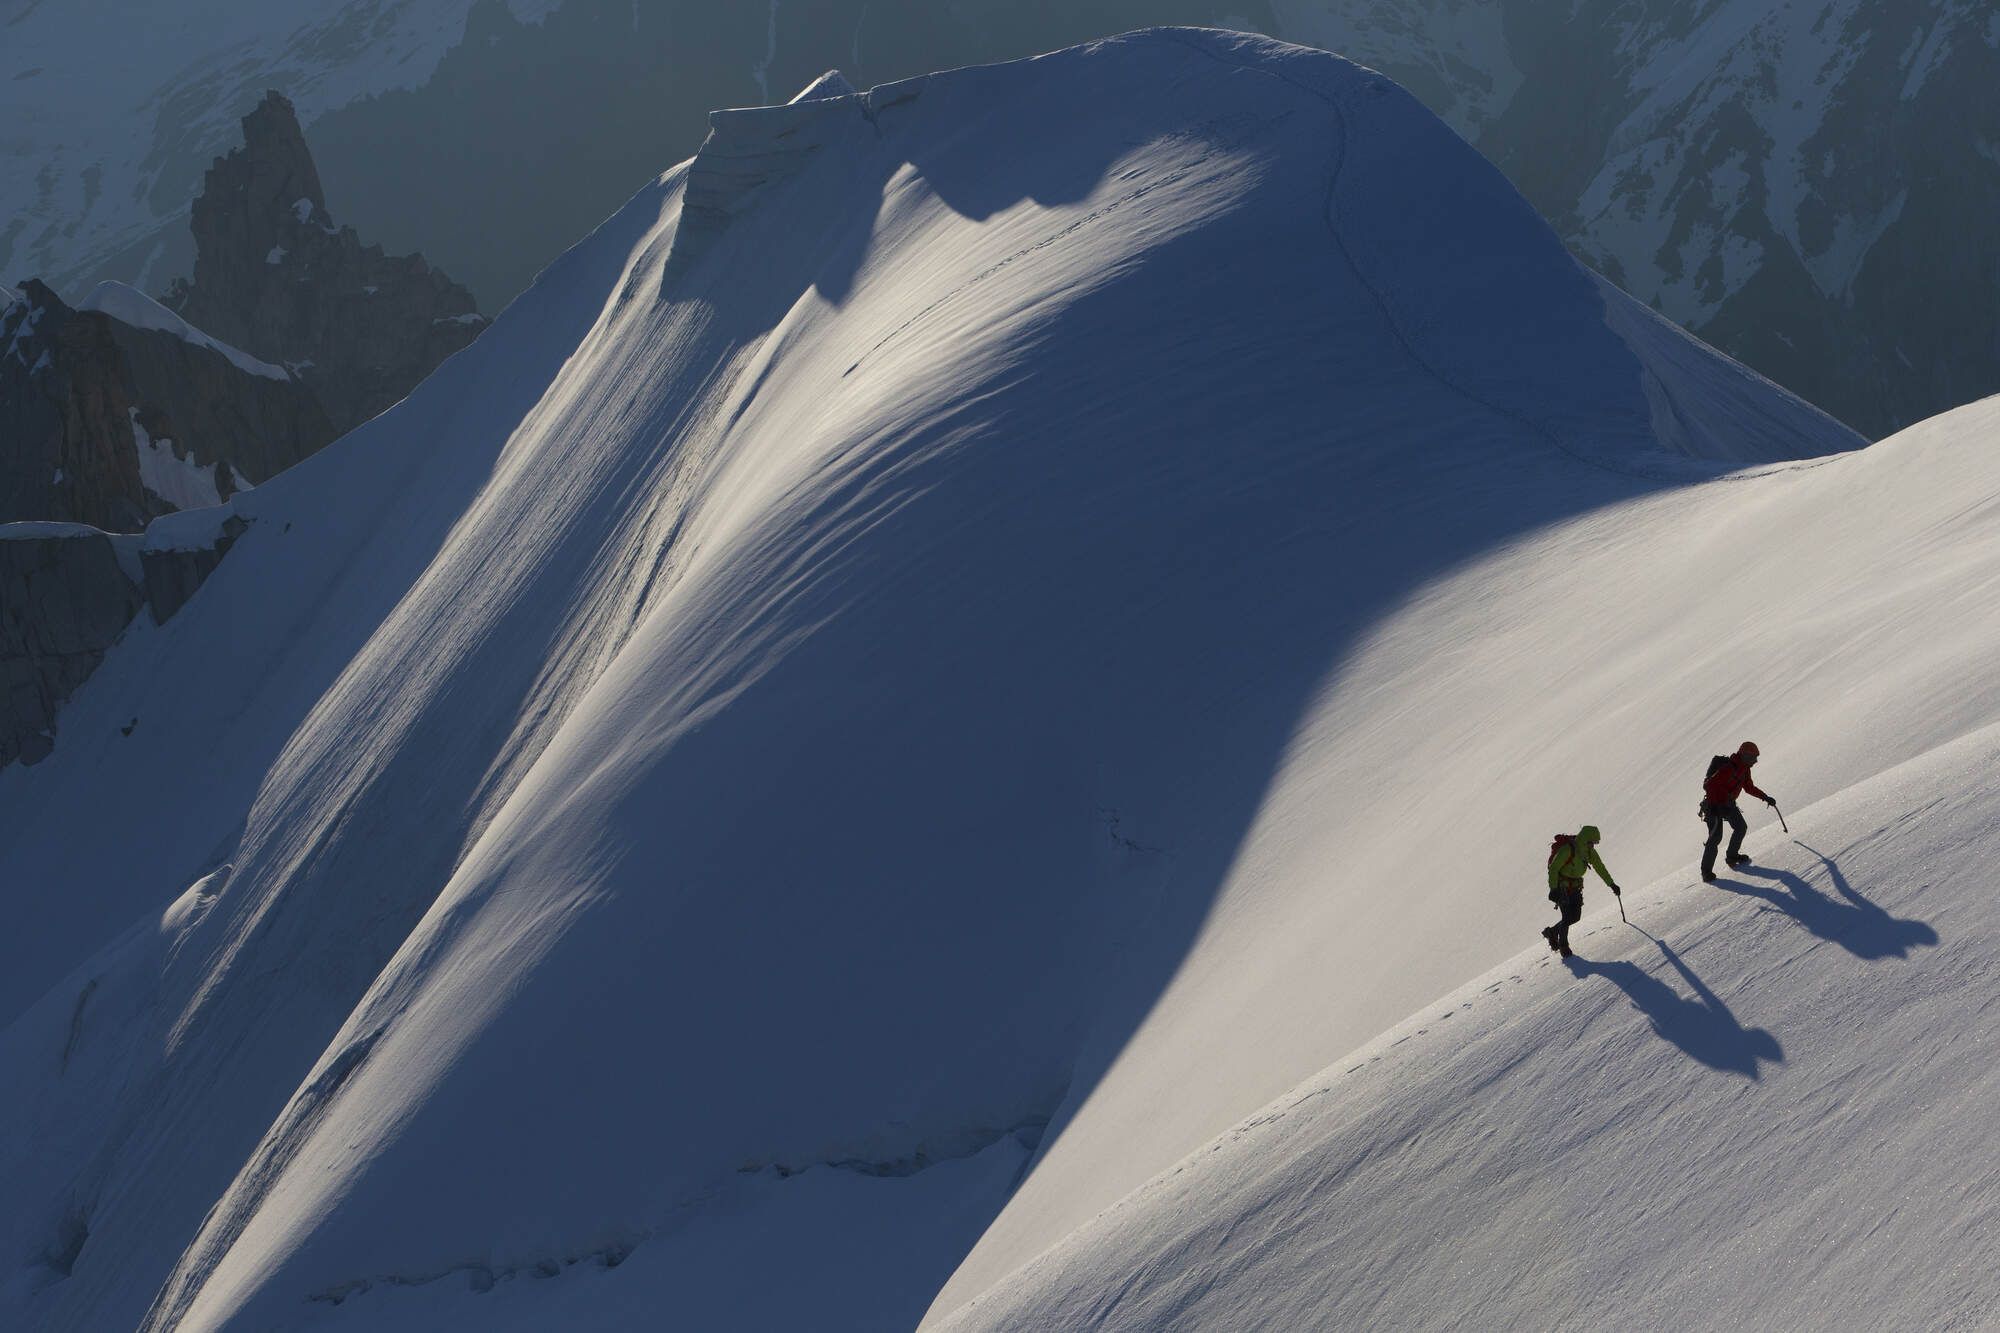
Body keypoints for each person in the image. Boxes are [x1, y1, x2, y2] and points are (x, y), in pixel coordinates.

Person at [1700, 741, 1775, 881]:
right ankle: (1706, 872)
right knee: (1715, 838)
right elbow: (1709, 785)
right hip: (1714, 806)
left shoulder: (1744, 769)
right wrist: (1718, 803)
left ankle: (1732, 856)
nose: (1756, 761)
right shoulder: (1729, 767)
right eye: (1754, 757)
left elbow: (1749, 787)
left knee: (1741, 827)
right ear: (1745, 755)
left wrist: (1765, 797)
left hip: (1727, 805)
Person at [1545, 825, 1620, 957]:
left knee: (1575, 916)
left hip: (1575, 886)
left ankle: (1552, 932)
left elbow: (1599, 867)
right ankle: (1564, 947)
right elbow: (1554, 868)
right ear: (1586, 840)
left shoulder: (1589, 852)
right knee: (1567, 916)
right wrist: (1553, 889)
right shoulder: (1569, 850)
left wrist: (1611, 884)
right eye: (1593, 842)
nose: (1594, 845)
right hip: (1562, 886)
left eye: (1595, 843)